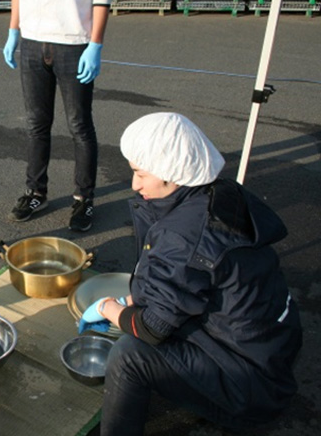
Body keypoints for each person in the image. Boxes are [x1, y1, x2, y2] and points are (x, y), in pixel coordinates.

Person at [79, 112, 302, 435]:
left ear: (172, 173)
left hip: (248, 385)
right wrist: (132, 298)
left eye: (140, 173)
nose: (134, 184)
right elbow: (185, 282)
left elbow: (152, 328)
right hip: (267, 357)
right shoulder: (219, 194)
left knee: (130, 354)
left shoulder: (183, 235)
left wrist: (107, 308)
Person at [3, 0, 121, 232]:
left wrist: (96, 44)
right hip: (32, 41)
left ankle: (84, 198)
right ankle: (36, 193)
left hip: (73, 42)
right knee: (36, 124)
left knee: (79, 125)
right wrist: (13, 30)